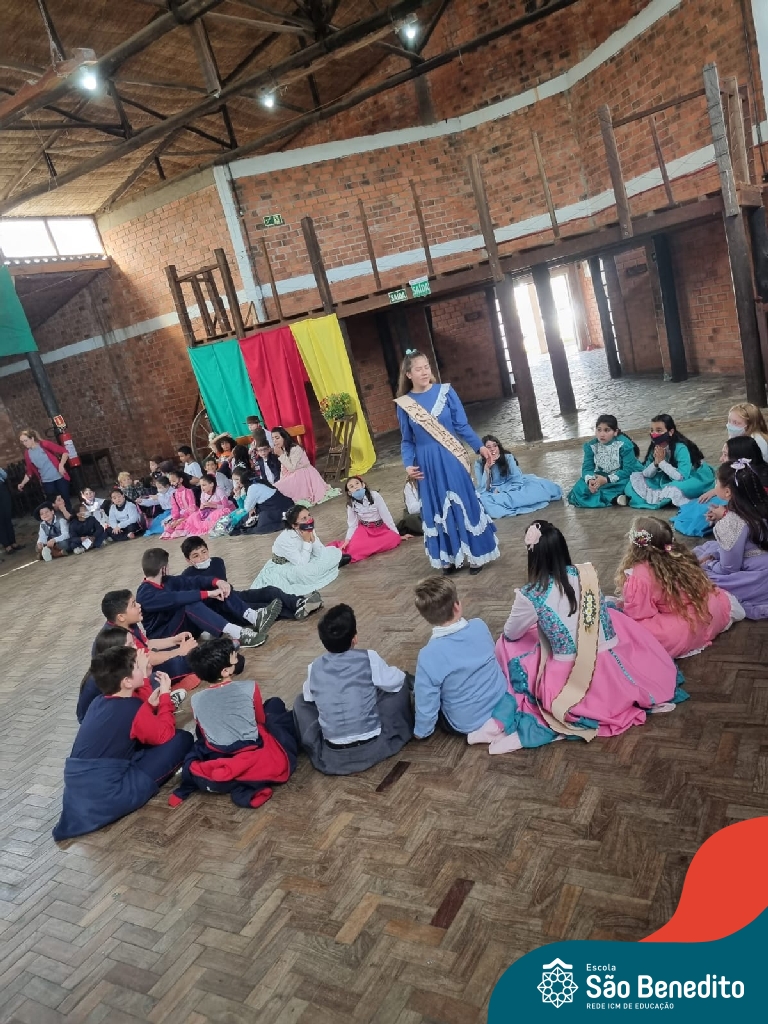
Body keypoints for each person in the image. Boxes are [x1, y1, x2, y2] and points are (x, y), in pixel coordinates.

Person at [490, 521, 686, 755]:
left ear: (532, 554)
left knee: (506, 643)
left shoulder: (530, 595)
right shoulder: (587, 573)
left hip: (572, 676)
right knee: (614, 615)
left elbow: (512, 632)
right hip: (614, 664)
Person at [52, 646, 194, 841]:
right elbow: (164, 734)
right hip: (108, 796)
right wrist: (165, 698)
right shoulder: (133, 708)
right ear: (127, 681)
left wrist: (149, 701)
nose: (142, 668)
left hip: (80, 790)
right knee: (182, 739)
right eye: (137, 667)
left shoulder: (98, 702)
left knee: (146, 742)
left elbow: (130, 719)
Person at [396, 351, 499, 575]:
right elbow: (407, 440)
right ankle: (449, 558)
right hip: (426, 464)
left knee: (462, 501)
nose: (425, 372)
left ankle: (475, 555)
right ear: (408, 374)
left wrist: (479, 447)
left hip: (451, 457)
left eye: (426, 367)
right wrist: (408, 464)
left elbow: (462, 425)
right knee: (436, 506)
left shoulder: (446, 392)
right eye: (418, 369)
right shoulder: (404, 404)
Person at [168, 637, 299, 809]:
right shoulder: (250, 687)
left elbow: (204, 732)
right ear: (225, 671)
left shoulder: (196, 699)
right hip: (250, 746)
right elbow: (260, 721)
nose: (238, 658)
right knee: (275, 704)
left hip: (217, 751)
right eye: (234, 657)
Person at [293, 604, 414, 775]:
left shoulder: (314, 667)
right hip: (374, 747)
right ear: (355, 638)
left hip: (332, 755)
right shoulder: (369, 657)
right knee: (400, 688)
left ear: (324, 644)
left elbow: (309, 697)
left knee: (300, 702)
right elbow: (396, 680)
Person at [615, 516, 743, 658]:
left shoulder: (639, 575)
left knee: (626, 629)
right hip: (706, 612)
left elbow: (640, 614)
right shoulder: (679, 554)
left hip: (680, 627)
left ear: (635, 543)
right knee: (713, 597)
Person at [412, 576, 507, 740]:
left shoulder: (428, 654)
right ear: (457, 606)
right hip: (502, 700)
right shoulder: (479, 625)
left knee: (418, 693)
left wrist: (422, 732)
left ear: (426, 617)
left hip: (467, 722)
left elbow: (427, 702)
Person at [137, 547, 269, 647]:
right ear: (163, 568)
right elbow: (176, 598)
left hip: (181, 627)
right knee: (190, 604)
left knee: (215, 591)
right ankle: (238, 633)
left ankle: (254, 616)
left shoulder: (166, 580)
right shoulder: (145, 594)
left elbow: (191, 581)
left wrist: (217, 582)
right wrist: (209, 594)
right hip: (164, 637)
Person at [180, 535, 322, 621]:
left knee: (269, 591)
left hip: (234, 596)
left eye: (204, 552)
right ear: (188, 560)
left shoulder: (217, 562)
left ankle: (298, 602)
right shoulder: (186, 577)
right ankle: (298, 611)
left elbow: (221, 585)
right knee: (263, 608)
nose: (202, 557)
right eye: (196, 556)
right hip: (223, 610)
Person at [693, 460, 768, 619]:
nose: (715, 486)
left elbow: (729, 569)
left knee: (695, 576)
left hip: (758, 577)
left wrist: (710, 563)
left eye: (716, 482)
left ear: (727, 492)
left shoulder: (731, 523)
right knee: (711, 549)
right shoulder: (760, 505)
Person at [672, 436, 768, 537]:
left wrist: (724, 513)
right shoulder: (744, 477)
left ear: (739, 459)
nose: (721, 459)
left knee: (702, 512)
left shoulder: (754, 485)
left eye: (725, 455)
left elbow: (749, 518)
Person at [251, 505, 349, 596]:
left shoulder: (307, 527)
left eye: (309, 515)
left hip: (305, 556)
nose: (309, 519)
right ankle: (331, 566)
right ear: (295, 525)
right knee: (306, 574)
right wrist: (306, 541)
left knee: (330, 552)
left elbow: (320, 552)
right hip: (286, 565)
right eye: (304, 518)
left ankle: (329, 566)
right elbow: (301, 563)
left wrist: (312, 538)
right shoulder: (285, 539)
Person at [623, 414, 714, 509]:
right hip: (665, 477)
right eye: (652, 430)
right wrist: (655, 463)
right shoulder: (655, 447)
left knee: (676, 488)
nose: (654, 434)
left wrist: (662, 463)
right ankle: (666, 499)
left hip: (689, 476)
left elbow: (681, 477)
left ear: (670, 432)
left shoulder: (680, 448)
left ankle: (668, 499)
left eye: (659, 430)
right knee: (633, 482)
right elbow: (646, 473)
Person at [474, 434, 561, 519]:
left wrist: (502, 491)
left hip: (512, 487)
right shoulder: (479, 464)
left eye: (495, 446)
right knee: (483, 501)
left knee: (536, 488)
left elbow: (517, 480)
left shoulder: (507, 457)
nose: (493, 449)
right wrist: (487, 468)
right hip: (493, 492)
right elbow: (483, 488)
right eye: (488, 447)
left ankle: (511, 504)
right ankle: (508, 505)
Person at [567, 414, 641, 508]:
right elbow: (587, 468)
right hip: (600, 476)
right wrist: (591, 480)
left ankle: (616, 498)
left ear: (615, 432)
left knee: (632, 484)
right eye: (599, 430)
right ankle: (615, 499)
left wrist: (607, 480)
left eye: (607, 430)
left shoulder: (624, 445)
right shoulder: (591, 446)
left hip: (621, 476)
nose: (602, 434)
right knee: (580, 488)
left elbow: (628, 470)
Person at [327, 476, 401, 563]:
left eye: (357, 483)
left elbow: (386, 516)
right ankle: (338, 556)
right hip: (365, 530)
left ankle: (370, 546)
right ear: (349, 493)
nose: (355, 487)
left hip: (380, 529)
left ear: (363, 485)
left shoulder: (375, 496)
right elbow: (352, 524)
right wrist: (347, 540)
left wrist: (396, 533)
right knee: (353, 549)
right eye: (351, 486)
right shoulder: (351, 504)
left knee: (394, 539)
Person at [271, 426, 340, 505]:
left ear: (284, 437)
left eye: (277, 438)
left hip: (303, 474)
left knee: (280, 489)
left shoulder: (295, 449)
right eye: (273, 439)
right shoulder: (283, 449)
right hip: (292, 475)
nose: (275, 441)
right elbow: (284, 469)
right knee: (276, 487)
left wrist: (281, 455)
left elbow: (292, 468)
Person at [230, 466, 293, 535]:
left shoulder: (253, 487)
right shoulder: (252, 483)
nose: (236, 482)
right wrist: (238, 496)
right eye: (234, 480)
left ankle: (286, 522)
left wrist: (240, 497)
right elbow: (246, 508)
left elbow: (247, 508)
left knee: (261, 524)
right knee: (246, 518)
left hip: (280, 508)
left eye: (237, 479)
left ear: (243, 477)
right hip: (268, 508)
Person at [17, 428, 71, 508]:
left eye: (26, 440)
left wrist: (61, 465)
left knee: (65, 501)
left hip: (59, 477)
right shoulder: (27, 453)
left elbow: (64, 452)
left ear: (32, 438)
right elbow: (29, 471)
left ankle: (69, 514)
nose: (24, 443)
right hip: (46, 481)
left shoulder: (44, 444)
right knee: (53, 504)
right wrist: (22, 483)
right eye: (22, 442)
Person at [173, 473, 233, 538]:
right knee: (193, 516)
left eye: (204, 485)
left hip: (220, 510)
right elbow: (202, 507)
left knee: (216, 514)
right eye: (201, 485)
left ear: (212, 484)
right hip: (208, 512)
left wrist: (213, 506)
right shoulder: (203, 493)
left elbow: (226, 507)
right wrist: (202, 508)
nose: (202, 487)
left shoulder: (219, 491)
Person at [161, 469, 198, 539]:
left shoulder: (188, 491)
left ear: (180, 480)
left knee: (182, 524)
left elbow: (192, 507)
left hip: (192, 514)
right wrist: (175, 519)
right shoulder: (174, 494)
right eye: (170, 482)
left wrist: (182, 519)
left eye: (174, 481)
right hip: (181, 515)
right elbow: (175, 509)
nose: (172, 483)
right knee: (170, 525)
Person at [0, 466, 21, 555]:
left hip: (2, 488)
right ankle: (7, 545)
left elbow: (4, 475)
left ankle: (13, 542)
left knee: (7, 517)